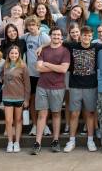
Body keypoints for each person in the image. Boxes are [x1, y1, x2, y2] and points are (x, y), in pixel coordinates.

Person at [32, 27, 71, 155]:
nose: (56, 37)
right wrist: (56, 67)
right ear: (50, 36)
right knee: (42, 115)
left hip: (58, 87)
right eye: (54, 35)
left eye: (58, 35)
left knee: (56, 114)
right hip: (42, 86)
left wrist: (47, 64)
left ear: (61, 37)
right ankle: (37, 142)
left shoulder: (65, 51)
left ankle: (55, 140)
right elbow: (39, 68)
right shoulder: (43, 50)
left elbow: (63, 70)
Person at [1, 45, 30, 153]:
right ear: (8, 54)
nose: (14, 55)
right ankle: (10, 142)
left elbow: (27, 84)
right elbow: (2, 78)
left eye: (16, 53)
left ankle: (17, 142)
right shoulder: (5, 65)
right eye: (12, 53)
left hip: (19, 97)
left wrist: (26, 99)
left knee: (18, 120)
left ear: (19, 54)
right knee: (8, 121)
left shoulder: (23, 66)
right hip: (7, 96)